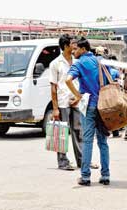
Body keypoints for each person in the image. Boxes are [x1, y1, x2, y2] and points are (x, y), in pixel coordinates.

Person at [66, 37, 111, 186]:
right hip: (104, 106)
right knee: (103, 142)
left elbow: (68, 80)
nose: (73, 52)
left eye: (75, 49)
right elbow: (114, 76)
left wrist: (78, 96)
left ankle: (85, 177)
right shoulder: (100, 61)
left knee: (87, 141)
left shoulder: (79, 63)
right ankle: (105, 175)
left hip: (89, 106)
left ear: (83, 49)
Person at [49, 34, 79, 171]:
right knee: (62, 132)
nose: (75, 46)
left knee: (79, 132)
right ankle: (63, 162)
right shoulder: (55, 63)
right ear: (66, 46)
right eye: (73, 43)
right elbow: (53, 87)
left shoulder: (77, 61)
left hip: (77, 102)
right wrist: (55, 109)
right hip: (62, 103)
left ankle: (82, 161)